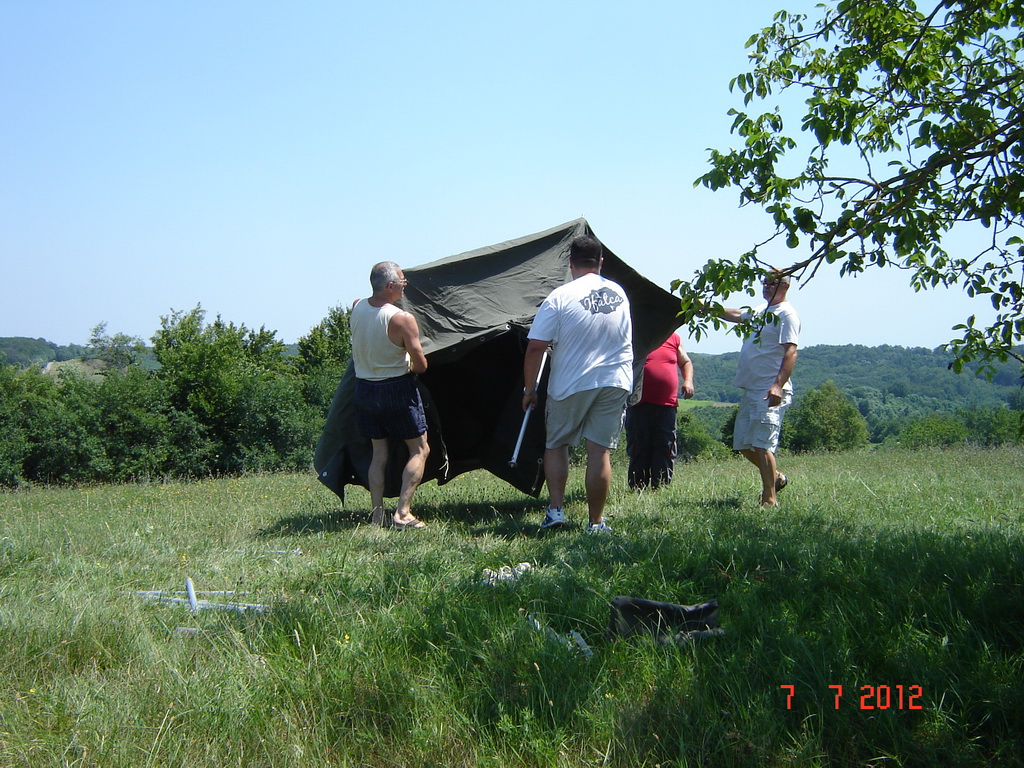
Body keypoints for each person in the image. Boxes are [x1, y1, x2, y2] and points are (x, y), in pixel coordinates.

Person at [522, 235, 633, 533]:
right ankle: (595, 522)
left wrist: (530, 390)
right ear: (601, 262)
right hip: (615, 379)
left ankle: (556, 511)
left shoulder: (560, 296)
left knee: (557, 444)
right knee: (599, 452)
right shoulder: (619, 293)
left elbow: (536, 347)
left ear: (570, 263)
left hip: (571, 381)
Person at [349, 261, 430, 528]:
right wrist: (411, 367)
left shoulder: (356, 306)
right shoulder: (401, 319)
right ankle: (402, 513)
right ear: (390, 286)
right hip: (396, 388)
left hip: (364, 389)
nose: (405, 286)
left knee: (379, 453)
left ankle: (377, 515)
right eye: (403, 282)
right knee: (420, 449)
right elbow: (421, 364)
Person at [715, 271, 799, 506]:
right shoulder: (762, 311)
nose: (766, 286)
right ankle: (777, 477)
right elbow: (736, 314)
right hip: (751, 388)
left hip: (768, 389)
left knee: (763, 445)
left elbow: (791, 351)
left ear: (785, 287)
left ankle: (769, 500)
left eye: (772, 283)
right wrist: (706, 307)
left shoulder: (787, 314)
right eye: (765, 282)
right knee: (743, 445)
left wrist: (777, 385)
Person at [624, 331, 695, 490]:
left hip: (666, 404)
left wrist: (688, 381)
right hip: (637, 403)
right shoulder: (635, 334)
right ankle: (637, 488)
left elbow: (686, 362)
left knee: (665, 446)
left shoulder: (673, 337)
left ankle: (661, 487)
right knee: (638, 446)